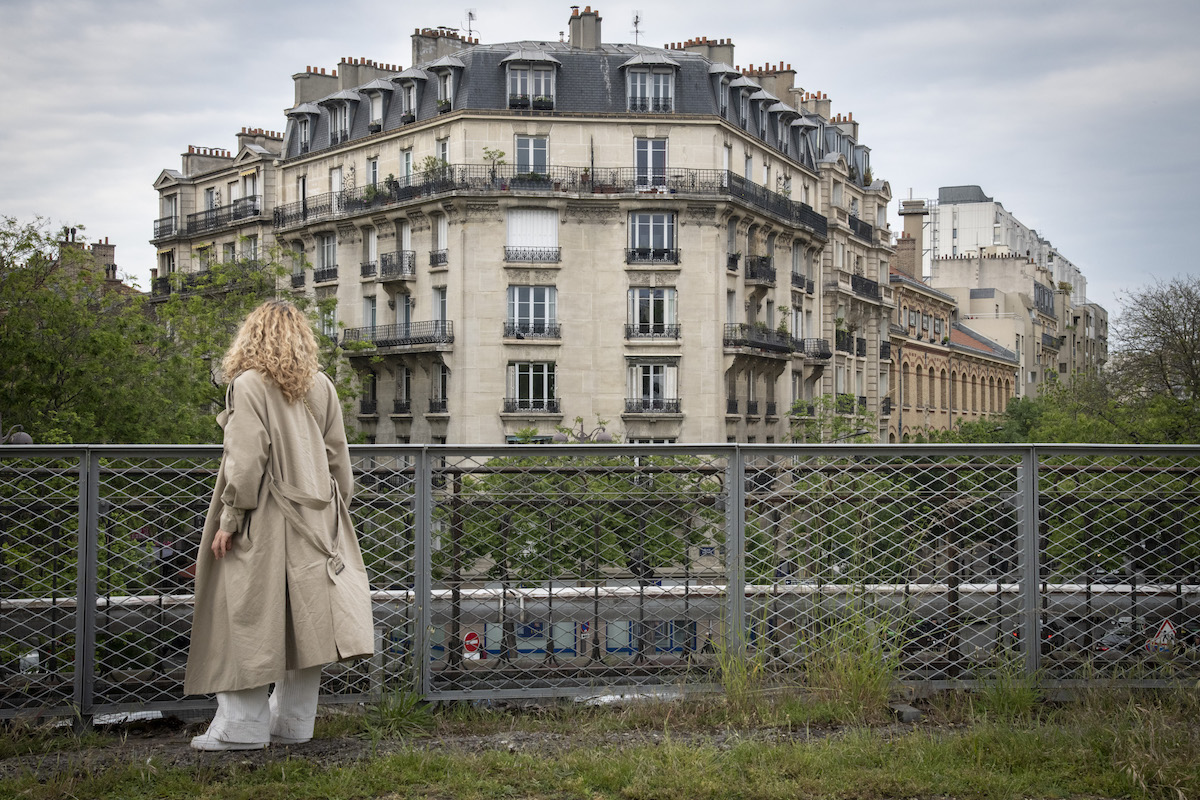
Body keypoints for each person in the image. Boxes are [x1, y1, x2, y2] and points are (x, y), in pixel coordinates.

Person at [185, 299, 374, 751]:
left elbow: (246, 462)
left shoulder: (248, 384)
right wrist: (333, 517)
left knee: (243, 616)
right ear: (302, 340)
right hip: (317, 520)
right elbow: (340, 464)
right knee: (306, 622)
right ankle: (293, 722)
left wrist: (229, 520)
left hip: (264, 521)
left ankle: (242, 727)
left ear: (251, 337)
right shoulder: (321, 386)